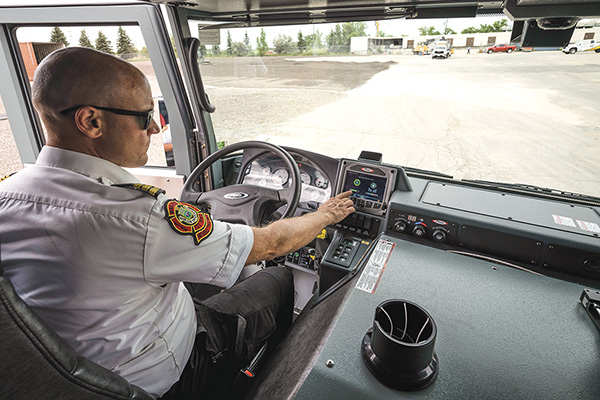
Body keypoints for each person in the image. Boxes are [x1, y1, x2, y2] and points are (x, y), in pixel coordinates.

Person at [0, 47, 355, 399]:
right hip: (174, 375)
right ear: (91, 121)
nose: (155, 127)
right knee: (278, 277)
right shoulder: (137, 217)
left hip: (85, 376)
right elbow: (272, 245)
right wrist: (326, 215)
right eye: (144, 117)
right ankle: (259, 382)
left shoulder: (7, 196)